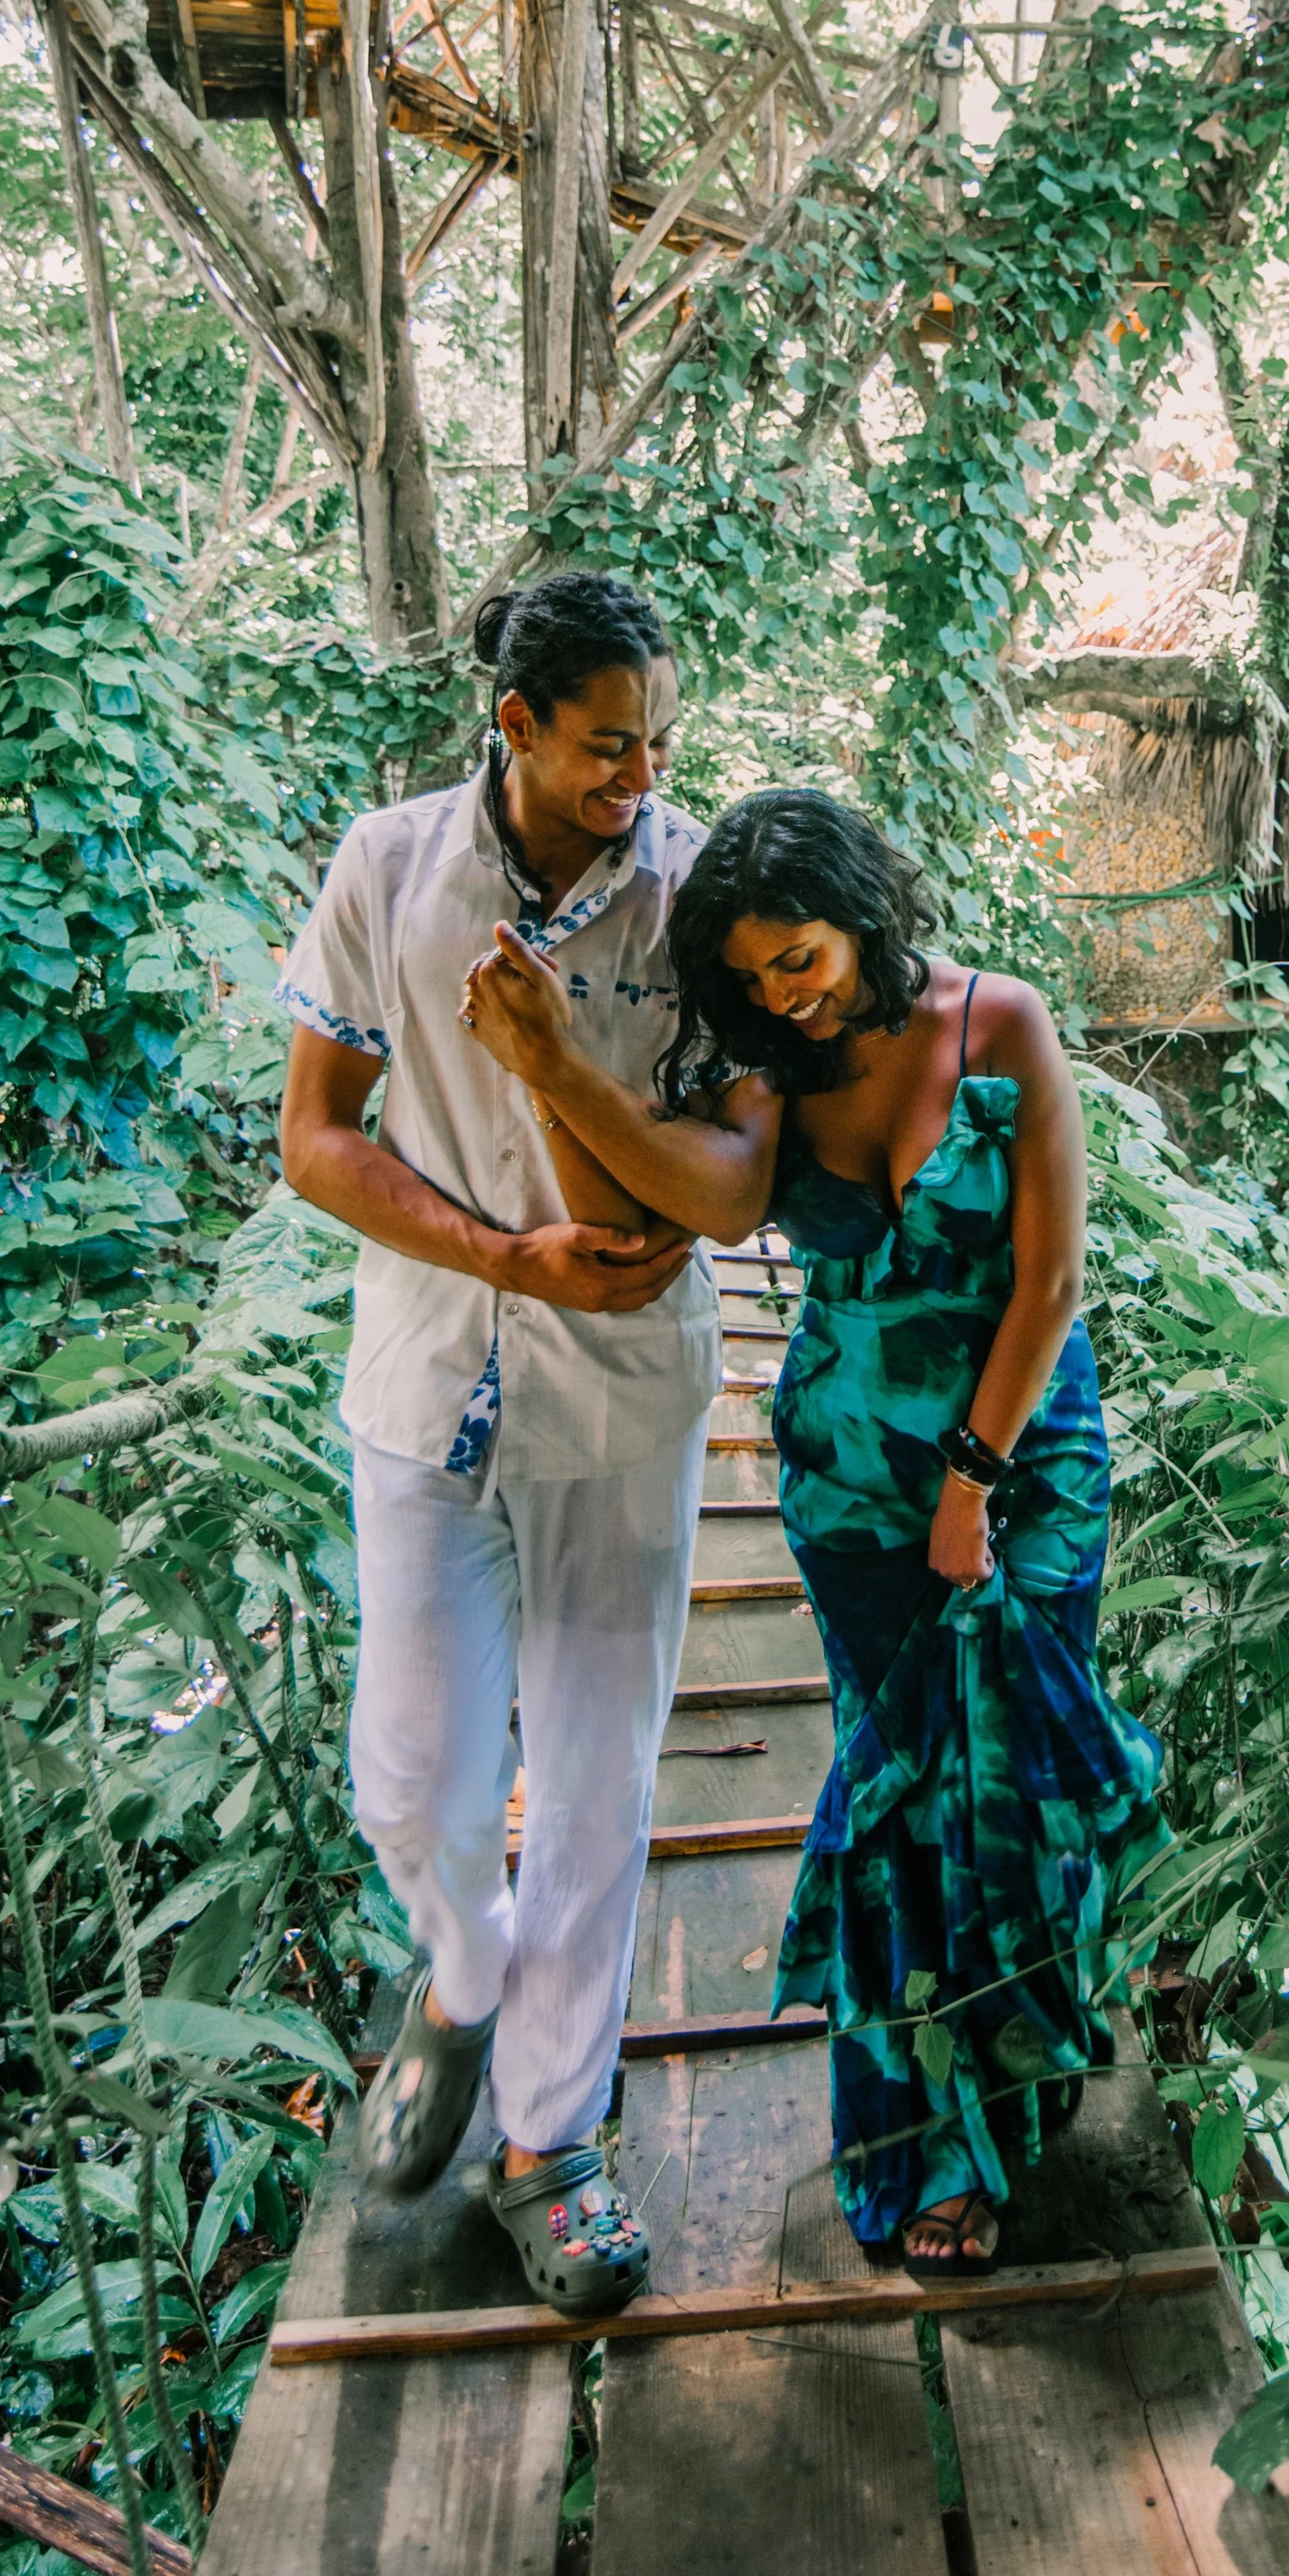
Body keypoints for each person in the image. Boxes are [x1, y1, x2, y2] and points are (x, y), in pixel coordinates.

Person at [459, 786, 1168, 2278]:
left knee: (1019, 1785)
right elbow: (704, 1207)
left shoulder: (1005, 1027)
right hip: (850, 1490)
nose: (794, 990)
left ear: (864, 911)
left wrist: (974, 1480)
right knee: (903, 1806)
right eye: (762, 974)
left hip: (1025, 1464)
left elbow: (1050, 1285)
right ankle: (923, 2141)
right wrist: (553, 1068)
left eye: (810, 955)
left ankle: (1015, 2100)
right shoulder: (772, 1071)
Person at [276, 570, 718, 2320]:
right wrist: (498, 1254)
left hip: (622, 1392)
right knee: (416, 1777)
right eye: (609, 743)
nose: (642, 773)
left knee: (597, 1778)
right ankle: (457, 1979)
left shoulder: (695, 891)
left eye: (659, 743)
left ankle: (550, 2137)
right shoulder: (387, 868)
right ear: (515, 725)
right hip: (427, 1371)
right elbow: (315, 1139)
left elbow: (723, 1168)